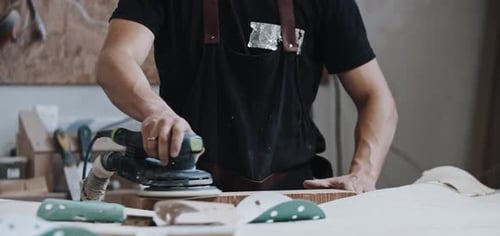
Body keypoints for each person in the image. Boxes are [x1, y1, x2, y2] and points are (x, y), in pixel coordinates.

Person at [96, 0, 398, 193]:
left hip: (296, 196)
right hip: (190, 195)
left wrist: (363, 174)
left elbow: (376, 97)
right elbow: (115, 60)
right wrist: (157, 112)